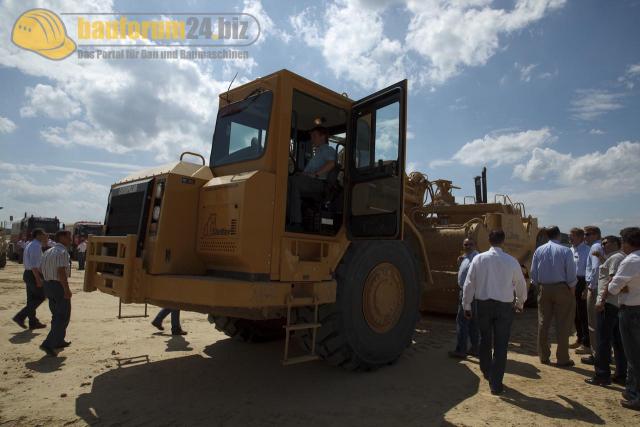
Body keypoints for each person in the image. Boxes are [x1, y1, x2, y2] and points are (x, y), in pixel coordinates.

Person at [462, 229, 527, 395]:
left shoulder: (479, 259)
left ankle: (486, 370)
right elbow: (520, 284)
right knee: (501, 344)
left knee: (485, 339)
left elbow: (469, 283)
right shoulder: (511, 261)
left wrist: (466, 305)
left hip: (483, 305)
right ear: (503, 241)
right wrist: (520, 302)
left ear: (489, 240)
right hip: (504, 307)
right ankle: (496, 384)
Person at [530, 226, 577, 367]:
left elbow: (533, 273)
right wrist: (572, 290)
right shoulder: (566, 250)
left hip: (544, 287)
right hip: (562, 288)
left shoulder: (539, 250)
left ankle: (544, 356)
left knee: (543, 322)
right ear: (558, 235)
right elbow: (571, 273)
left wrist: (539, 286)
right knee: (563, 324)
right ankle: (562, 358)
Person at [585, 235, 627, 386]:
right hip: (616, 305)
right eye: (602, 243)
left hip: (607, 305)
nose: (603, 245)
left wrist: (602, 299)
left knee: (603, 341)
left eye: (606, 243)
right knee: (618, 341)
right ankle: (621, 374)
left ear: (616, 243)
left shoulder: (616, 257)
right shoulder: (619, 257)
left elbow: (611, 279)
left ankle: (602, 375)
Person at [608, 227, 640, 410]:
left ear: (627, 243)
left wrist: (622, 286)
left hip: (631, 311)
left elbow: (613, 288)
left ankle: (636, 395)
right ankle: (630, 389)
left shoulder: (630, 261)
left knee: (634, 356)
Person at [287, 126, 336, 232]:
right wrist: (302, 173)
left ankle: (296, 222)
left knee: (293, 182)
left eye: (314, 136)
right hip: (311, 180)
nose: (312, 139)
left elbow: (331, 163)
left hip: (319, 183)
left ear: (323, 136)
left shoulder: (327, 149)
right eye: (311, 137)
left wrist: (316, 174)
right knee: (288, 180)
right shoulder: (317, 153)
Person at [39, 230, 73, 357]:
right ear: (62, 237)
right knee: (62, 316)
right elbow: (61, 272)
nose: (71, 239)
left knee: (56, 314)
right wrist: (66, 290)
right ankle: (48, 343)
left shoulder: (48, 251)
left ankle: (58, 341)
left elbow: (41, 269)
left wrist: (47, 282)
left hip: (48, 285)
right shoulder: (62, 252)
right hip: (58, 286)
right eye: (69, 237)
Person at [449, 238, 479, 359]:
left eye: (470, 244)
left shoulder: (476, 258)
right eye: (465, 244)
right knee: (472, 322)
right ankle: (475, 348)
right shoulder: (466, 257)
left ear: (475, 245)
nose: (468, 246)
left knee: (462, 321)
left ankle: (461, 350)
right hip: (468, 292)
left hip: (469, 293)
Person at [12, 229, 47, 330]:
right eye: (44, 234)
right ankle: (20, 316)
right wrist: (38, 279)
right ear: (39, 235)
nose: (46, 236)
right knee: (41, 297)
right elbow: (34, 265)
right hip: (32, 274)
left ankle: (33, 322)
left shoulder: (32, 244)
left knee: (31, 299)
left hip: (28, 274)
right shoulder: (36, 246)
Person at [583, 225, 603, 365]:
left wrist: (591, 286)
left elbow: (596, 268)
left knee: (593, 323)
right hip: (596, 286)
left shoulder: (595, 248)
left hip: (594, 288)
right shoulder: (598, 246)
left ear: (595, 235)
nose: (585, 237)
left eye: (587, 234)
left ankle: (596, 355)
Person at [570, 227, 591, 354]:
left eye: (572, 236)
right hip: (572, 282)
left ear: (580, 237)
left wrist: (585, 288)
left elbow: (590, 270)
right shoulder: (570, 250)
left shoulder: (587, 250)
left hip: (582, 281)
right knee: (575, 313)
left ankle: (587, 343)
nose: (570, 238)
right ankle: (579, 338)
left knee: (584, 314)